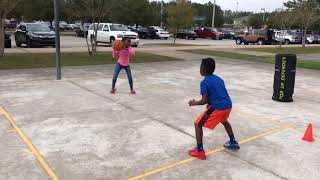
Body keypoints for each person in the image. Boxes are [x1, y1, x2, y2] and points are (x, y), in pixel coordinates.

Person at [188, 58, 240, 160]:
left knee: (198, 124)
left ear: (204, 69)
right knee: (224, 121)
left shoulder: (204, 82)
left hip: (218, 108)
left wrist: (194, 103)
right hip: (227, 106)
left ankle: (200, 151)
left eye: (200, 66)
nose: (199, 68)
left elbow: (204, 100)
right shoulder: (219, 79)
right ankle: (233, 142)